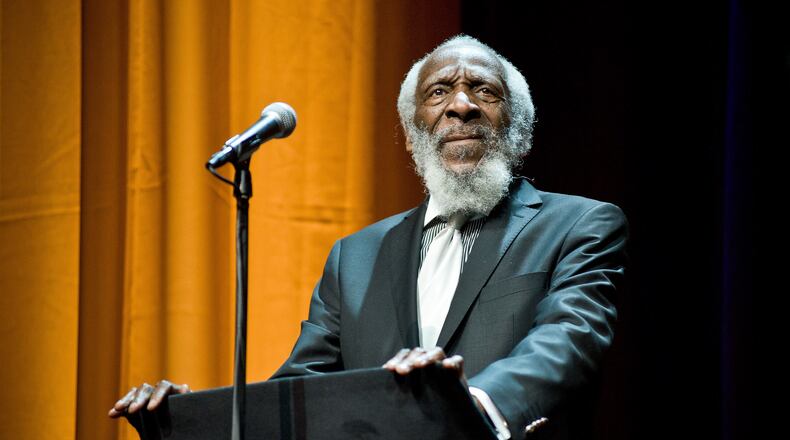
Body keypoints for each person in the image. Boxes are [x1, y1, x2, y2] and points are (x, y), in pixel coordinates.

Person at [110, 35, 628, 439]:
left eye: (485, 91)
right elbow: (299, 392)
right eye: (439, 92)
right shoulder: (354, 257)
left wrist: (470, 405)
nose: (462, 105)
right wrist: (181, 422)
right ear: (411, 129)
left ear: (518, 126)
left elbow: (569, 339)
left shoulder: (579, 224)